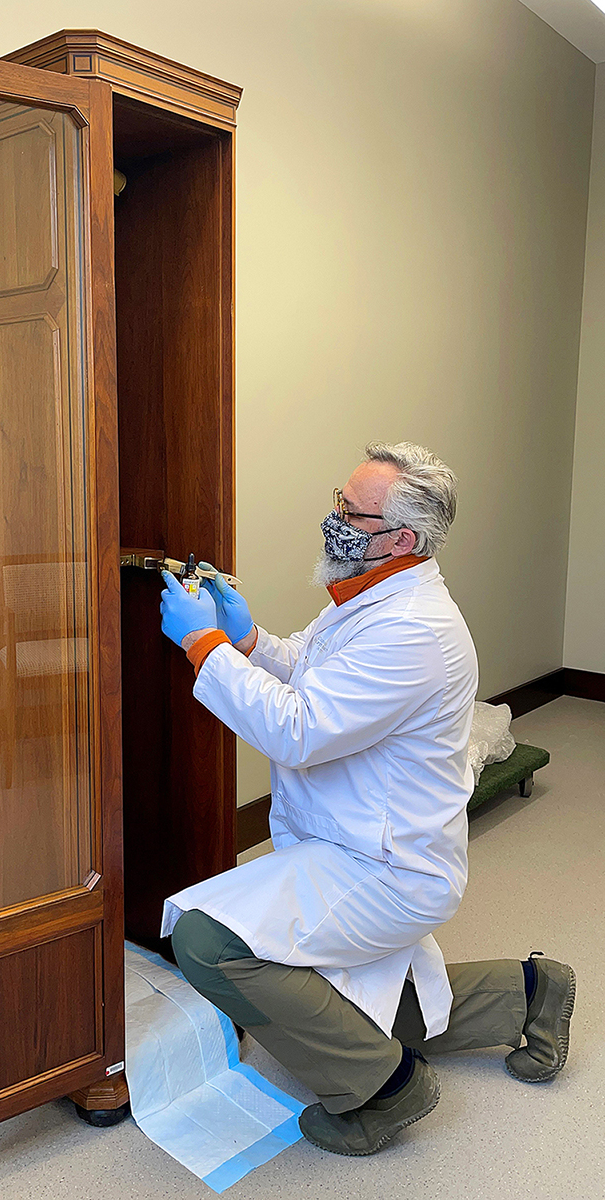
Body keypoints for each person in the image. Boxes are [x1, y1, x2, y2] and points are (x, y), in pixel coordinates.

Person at [157, 441, 575, 1156]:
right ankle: (527, 993)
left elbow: (299, 728)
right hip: (350, 842)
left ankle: (382, 1091)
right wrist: (249, 638)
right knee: (357, 1005)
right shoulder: (373, 594)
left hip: (387, 866)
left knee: (211, 940)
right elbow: (316, 675)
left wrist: (204, 647)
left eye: (352, 513)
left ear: (402, 538)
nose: (335, 520)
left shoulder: (413, 628)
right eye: (338, 501)